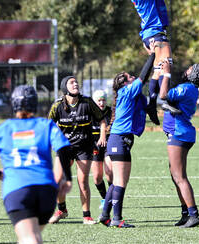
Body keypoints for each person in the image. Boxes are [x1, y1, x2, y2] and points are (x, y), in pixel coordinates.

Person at [0, 85, 72, 244]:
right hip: (46, 191)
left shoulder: (5, 128)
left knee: (29, 240)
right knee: (31, 238)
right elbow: (64, 148)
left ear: (13, 104)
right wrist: (67, 178)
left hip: (17, 190)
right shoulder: (45, 125)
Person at [109, 0, 173, 125]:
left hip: (152, 33)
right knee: (166, 64)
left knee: (159, 69)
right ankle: (165, 99)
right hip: (154, 34)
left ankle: (152, 103)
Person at [99, 43, 155, 228]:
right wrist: (153, 54)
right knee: (121, 182)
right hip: (119, 140)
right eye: (129, 77)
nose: (132, 78)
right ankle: (116, 219)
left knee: (117, 181)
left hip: (120, 140)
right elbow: (143, 76)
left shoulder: (128, 94)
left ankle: (105, 215)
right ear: (124, 83)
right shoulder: (127, 91)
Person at [48, 76, 106, 225]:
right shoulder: (57, 106)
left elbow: (102, 119)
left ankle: (86, 216)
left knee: (82, 181)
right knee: (57, 180)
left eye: (76, 82)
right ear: (64, 87)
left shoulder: (86, 102)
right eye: (71, 82)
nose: (76, 84)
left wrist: (102, 136)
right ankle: (62, 210)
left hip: (84, 147)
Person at [159, 60, 199, 228]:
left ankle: (194, 215)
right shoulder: (190, 89)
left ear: (193, 74)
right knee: (175, 176)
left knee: (180, 177)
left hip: (179, 133)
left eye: (189, 69)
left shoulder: (186, 88)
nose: (186, 70)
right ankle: (186, 214)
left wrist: (166, 73)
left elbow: (163, 94)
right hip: (181, 133)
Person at [91, 89, 113, 209]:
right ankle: (105, 198)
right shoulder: (89, 113)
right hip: (94, 145)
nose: (101, 103)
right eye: (99, 100)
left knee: (109, 172)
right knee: (97, 177)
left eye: (103, 100)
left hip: (108, 143)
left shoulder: (111, 112)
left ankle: (112, 198)